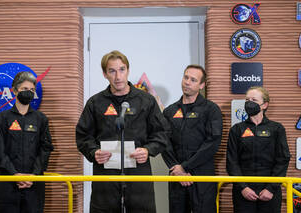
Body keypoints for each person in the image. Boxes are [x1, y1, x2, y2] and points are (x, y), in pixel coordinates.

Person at [76, 50, 169, 213]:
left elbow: (162, 133)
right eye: (112, 71)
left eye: (122, 69)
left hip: (138, 174)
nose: (118, 76)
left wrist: (148, 150)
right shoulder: (95, 103)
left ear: (128, 70)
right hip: (105, 176)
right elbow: (83, 135)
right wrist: (93, 152)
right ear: (105, 74)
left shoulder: (146, 101)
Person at [162, 64, 223, 213]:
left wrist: (185, 167)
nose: (187, 82)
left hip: (202, 177)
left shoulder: (211, 110)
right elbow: (164, 143)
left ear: (201, 85)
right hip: (176, 176)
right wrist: (177, 169)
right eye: (186, 77)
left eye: (193, 80)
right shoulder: (170, 111)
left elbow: (213, 143)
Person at [0, 71, 54, 213]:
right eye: (25, 89)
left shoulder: (41, 119)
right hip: (7, 185)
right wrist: (14, 174)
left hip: (34, 186)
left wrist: (34, 175)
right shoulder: (2, 118)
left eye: (32, 90)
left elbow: (46, 149)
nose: (29, 92)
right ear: (14, 90)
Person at [226, 86, 291, 213]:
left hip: (270, 191)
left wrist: (271, 188)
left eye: (254, 100)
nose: (249, 103)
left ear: (264, 105)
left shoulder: (277, 129)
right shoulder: (236, 129)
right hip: (243, 191)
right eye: (247, 100)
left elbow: (283, 159)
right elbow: (231, 161)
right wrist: (243, 188)